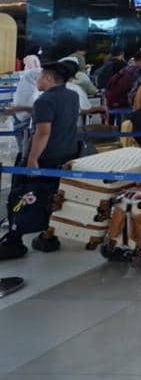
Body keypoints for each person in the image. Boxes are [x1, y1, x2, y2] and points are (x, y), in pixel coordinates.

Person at [0, 62, 81, 259]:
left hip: (44, 157)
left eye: (39, 76)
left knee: (20, 197)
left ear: (48, 78)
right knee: (54, 198)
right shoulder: (72, 96)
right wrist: (24, 108)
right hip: (66, 155)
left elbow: (43, 132)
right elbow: (55, 111)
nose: (37, 80)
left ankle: (14, 241)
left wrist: (32, 159)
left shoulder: (44, 100)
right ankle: (48, 236)